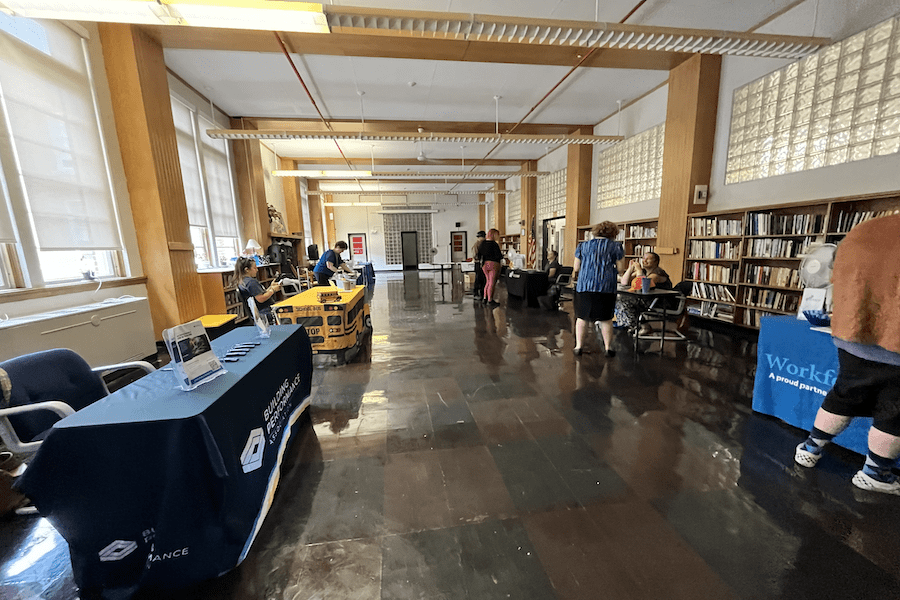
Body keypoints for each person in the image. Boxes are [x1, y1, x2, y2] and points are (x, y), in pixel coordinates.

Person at [793, 213, 900, 495]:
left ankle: (811, 448)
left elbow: (836, 275)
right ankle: (876, 473)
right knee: (893, 410)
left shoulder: (865, 230)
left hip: (852, 332)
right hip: (897, 343)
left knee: (843, 394)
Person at [572, 221, 624, 357]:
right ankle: (608, 348)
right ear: (613, 233)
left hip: (585, 285)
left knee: (582, 317)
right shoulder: (616, 247)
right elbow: (620, 269)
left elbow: (576, 268)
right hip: (606, 286)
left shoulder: (583, 246)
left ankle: (578, 347)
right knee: (606, 318)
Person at [615, 251, 673, 334]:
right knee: (620, 299)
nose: (644, 261)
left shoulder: (657, 274)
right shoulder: (644, 272)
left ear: (655, 262)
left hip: (660, 301)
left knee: (625, 301)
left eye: (648, 259)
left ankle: (641, 326)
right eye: (643, 258)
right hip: (647, 299)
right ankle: (635, 325)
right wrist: (630, 268)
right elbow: (624, 282)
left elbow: (641, 285)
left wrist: (638, 270)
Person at [234, 256, 281, 323]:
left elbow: (259, 294)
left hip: (259, 312)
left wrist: (271, 287)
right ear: (247, 270)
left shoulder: (243, 281)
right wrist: (273, 290)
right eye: (255, 268)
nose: (257, 270)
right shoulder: (251, 282)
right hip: (265, 313)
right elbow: (261, 298)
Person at [476, 228, 503, 306]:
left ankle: (485, 298)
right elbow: (499, 256)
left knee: (487, 282)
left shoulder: (482, 243)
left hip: (485, 265)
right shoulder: (494, 244)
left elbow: (478, 255)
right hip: (493, 264)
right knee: (492, 282)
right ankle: (490, 300)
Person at [471, 231, 487, 301]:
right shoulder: (477, 245)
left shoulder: (479, 244)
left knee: (483, 279)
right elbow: (475, 255)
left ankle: (481, 293)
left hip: (481, 263)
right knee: (478, 279)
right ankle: (476, 293)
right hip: (478, 263)